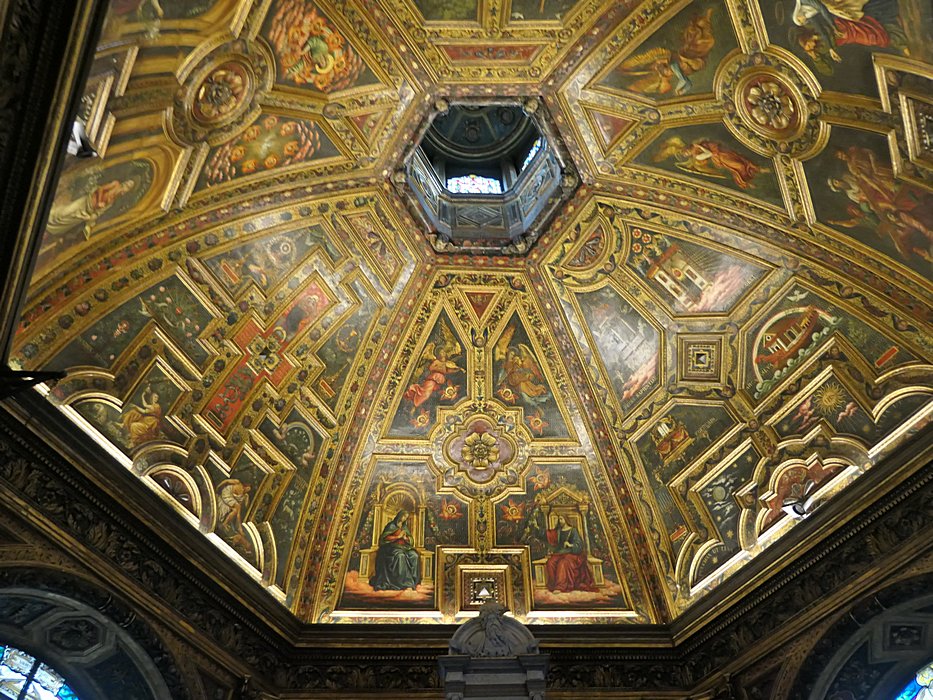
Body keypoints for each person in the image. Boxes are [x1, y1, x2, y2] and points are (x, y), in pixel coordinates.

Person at [370, 510, 421, 591]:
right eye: (404, 516)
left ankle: (414, 581)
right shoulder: (391, 526)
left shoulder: (404, 527)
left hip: (404, 548)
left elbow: (411, 540)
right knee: (400, 556)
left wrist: (406, 538)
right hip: (392, 548)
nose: (405, 518)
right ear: (400, 516)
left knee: (414, 556)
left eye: (406, 517)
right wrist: (397, 537)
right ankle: (402, 583)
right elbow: (384, 539)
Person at [545, 515, 596, 593]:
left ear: (566, 519)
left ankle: (560, 586)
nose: (559, 521)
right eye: (559, 519)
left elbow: (579, 544)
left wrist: (570, 545)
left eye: (561, 519)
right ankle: (553, 584)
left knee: (563, 563)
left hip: (572, 553)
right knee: (550, 562)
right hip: (560, 553)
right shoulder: (558, 531)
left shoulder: (573, 530)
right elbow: (552, 539)